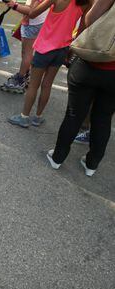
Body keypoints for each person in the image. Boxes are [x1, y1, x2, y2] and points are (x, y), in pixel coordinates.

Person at [47, 0, 115, 176]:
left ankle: (58, 157)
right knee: (104, 118)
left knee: (74, 113)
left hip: (92, 63)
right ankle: (91, 164)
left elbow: (91, 17)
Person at [8, 0, 89, 128]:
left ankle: (24, 116)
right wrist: (71, 48)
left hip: (45, 46)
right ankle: (38, 117)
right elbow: (82, 27)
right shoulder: (85, 2)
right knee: (47, 84)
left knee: (34, 85)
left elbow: (33, 13)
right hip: (63, 47)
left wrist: (16, 5)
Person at [0, 0, 48, 94]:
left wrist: (15, 6)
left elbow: (32, 11)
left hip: (32, 23)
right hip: (34, 22)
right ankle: (25, 75)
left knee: (27, 53)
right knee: (26, 52)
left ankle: (20, 79)